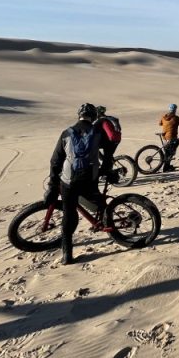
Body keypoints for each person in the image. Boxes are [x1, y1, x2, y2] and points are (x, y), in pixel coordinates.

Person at [44, 102, 115, 264]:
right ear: (94, 117)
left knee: (69, 215)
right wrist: (106, 169)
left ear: (79, 116)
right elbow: (109, 152)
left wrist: (52, 184)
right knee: (98, 202)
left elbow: (55, 161)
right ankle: (108, 223)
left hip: (69, 181)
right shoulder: (98, 132)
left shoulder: (66, 133)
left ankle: (67, 255)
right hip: (90, 178)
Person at [158, 103, 179, 172]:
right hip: (171, 137)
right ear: (175, 110)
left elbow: (160, 123)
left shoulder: (164, 117)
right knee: (171, 152)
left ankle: (167, 166)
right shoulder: (175, 118)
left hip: (164, 137)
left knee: (168, 152)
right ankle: (166, 168)